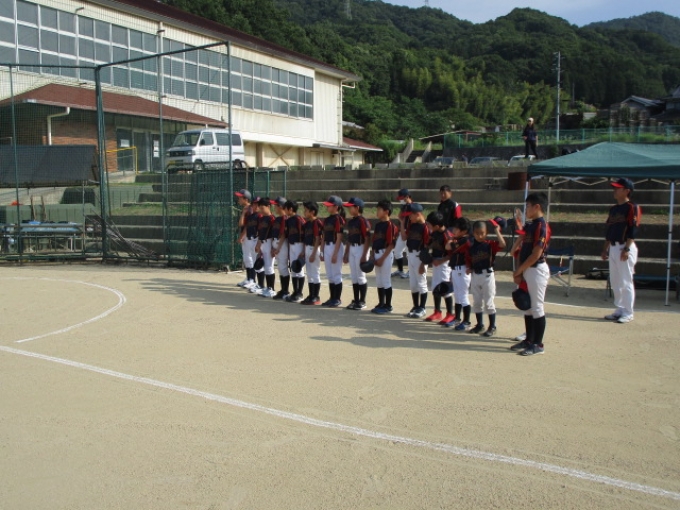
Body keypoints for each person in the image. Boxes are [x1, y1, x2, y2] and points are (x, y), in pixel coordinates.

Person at [511, 192, 551, 355]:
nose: (526, 209)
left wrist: (518, 271)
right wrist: (520, 232)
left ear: (537, 207)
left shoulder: (542, 226)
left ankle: (538, 344)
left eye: (528, 206)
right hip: (527, 269)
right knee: (527, 306)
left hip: (537, 270)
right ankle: (529, 339)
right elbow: (516, 250)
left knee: (537, 307)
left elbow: (536, 254)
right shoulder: (531, 226)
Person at [601, 178, 639, 324]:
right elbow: (609, 230)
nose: (615, 190)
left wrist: (627, 248)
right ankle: (620, 308)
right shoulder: (614, 209)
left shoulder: (632, 207)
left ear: (627, 191)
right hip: (613, 247)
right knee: (615, 280)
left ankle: (628, 312)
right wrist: (605, 248)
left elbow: (633, 229)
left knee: (625, 280)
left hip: (624, 246)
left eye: (618, 188)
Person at [464, 220, 506, 337]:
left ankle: (492, 326)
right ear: (473, 233)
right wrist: (469, 268)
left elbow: (502, 244)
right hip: (475, 275)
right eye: (477, 233)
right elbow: (469, 260)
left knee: (488, 302)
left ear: (486, 233)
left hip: (487, 275)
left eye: (482, 233)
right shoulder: (471, 247)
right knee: (477, 302)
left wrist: (497, 230)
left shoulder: (489, 244)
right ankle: (479, 324)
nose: (480, 236)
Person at [423, 211, 456, 325]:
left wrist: (441, 261)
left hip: (444, 264)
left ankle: (450, 314)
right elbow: (428, 244)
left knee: (444, 288)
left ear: (437, 226)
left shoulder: (447, 236)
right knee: (435, 288)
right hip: (436, 262)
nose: (428, 226)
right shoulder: (434, 233)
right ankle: (437, 312)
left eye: (429, 224)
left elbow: (452, 253)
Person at [343, 197, 371, 310]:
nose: (349, 209)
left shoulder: (363, 221)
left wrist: (364, 254)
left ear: (357, 208)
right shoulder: (351, 221)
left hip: (361, 248)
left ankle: (362, 301)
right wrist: (346, 253)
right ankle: (356, 300)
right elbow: (349, 239)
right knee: (354, 276)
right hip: (352, 249)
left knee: (360, 276)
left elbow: (367, 238)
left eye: (351, 207)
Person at [445, 217, 473, 330]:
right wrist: (452, 238)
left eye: (457, 229)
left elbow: (448, 246)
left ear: (464, 231)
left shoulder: (465, 241)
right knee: (457, 295)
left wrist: (451, 238)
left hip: (463, 269)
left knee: (463, 296)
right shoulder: (458, 239)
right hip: (456, 269)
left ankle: (466, 321)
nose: (454, 230)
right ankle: (457, 318)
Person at [370, 200, 398, 314]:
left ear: (386, 211)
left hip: (385, 254)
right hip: (377, 253)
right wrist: (372, 255)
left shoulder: (390, 226)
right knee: (379, 280)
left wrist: (382, 258)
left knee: (386, 280)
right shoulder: (378, 225)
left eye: (379, 209)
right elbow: (375, 240)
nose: (377, 212)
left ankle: (388, 305)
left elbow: (391, 244)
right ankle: (381, 303)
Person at [320, 195, 346, 307]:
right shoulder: (327, 220)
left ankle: (337, 298)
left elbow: (339, 237)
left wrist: (335, 253)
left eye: (330, 205)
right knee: (330, 275)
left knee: (336, 274)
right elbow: (323, 236)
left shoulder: (338, 219)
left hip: (336, 246)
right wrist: (321, 250)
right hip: (327, 246)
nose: (327, 207)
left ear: (336, 207)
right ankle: (332, 298)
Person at [405, 203, 430, 318]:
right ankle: (416, 306)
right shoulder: (412, 225)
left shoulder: (425, 227)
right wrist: (402, 222)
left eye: (411, 215)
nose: (409, 217)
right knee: (413, 283)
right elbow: (405, 236)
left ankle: (422, 308)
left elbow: (426, 247)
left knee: (421, 282)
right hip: (411, 254)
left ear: (418, 214)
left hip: (420, 256)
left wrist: (423, 264)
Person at [253, 197, 277, 297]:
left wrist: (274, 247)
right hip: (263, 243)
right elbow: (260, 233)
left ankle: (271, 289)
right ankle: (267, 288)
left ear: (268, 206)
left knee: (269, 267)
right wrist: (258, 244)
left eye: (263, 208)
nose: (261, 210)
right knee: (265, 266)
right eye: (260, 208)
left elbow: (275, 235)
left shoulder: (272, 219)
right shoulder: (262, 218)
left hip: (269, 242)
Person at [283, 200, 306, 303]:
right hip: (292, 245)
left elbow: (304, 234)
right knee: (293, 268)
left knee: (299, 268)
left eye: (286, 208)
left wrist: (303, 250)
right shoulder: (288, 220)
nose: (285, 211)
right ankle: (295, 291)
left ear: (291, 209)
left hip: (299, 244)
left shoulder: (299, 219)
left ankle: (299, 293)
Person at [300, 201, 323, 305]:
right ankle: (311, 295)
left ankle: (316, 296)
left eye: (306, 210)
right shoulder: (307, 223)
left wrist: (314, 253)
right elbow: (305, 238)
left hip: (314, 249)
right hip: (308, 248)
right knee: (309, 274)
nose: (304, 212)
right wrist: (303, 251)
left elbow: (318, 238)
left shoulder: (316, 223)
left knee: (315, 273)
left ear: (312, 212)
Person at [235, 189, 257, 288]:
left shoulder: (249, 209)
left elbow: (247, 225)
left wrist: (241, 236)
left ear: (246, 199)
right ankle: (248, 278)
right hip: (246, 236)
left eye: (240, 197)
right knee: (246, 257)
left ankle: (252, 279)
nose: (238, 199)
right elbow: (241, 224)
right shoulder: (246, 208)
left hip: (249, 236)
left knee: (250, 258)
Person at [270, 196, 290, 300]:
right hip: (276, 243)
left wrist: (278, 247)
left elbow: (283, 234)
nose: (275, 207)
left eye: (276, 206)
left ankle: (286, 291)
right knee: (280, 268)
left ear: (281, 206)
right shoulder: (277, 219)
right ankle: (283, 290)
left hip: (282, 244)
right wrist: (273, 246)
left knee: (283, 267)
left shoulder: (285, 219)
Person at [391, 188, 412, 279]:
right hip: (403, 230)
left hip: (410, 232)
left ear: (407, 197)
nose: (400, 200)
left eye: (402, 198)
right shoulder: (404, 207)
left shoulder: (412, 206)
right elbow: (400, 217)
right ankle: (400, 270)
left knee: (409, 253)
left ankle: (411, 271)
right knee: (397, 251)